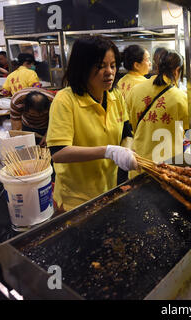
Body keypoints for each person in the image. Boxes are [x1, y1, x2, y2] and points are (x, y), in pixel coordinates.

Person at [46, 35, 138, 213]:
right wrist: (109, 151)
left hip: (107, 191)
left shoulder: (115, 95)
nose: (109, 72)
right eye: (100, 66)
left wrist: (127, 150)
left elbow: (126, 132)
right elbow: (58, 152)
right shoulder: (65, 100)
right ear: (83, 67)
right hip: (75, 200)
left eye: (112, 65)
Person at [126, 49, 191, 169]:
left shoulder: (135, 90)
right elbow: (187, 130)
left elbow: (131, 122)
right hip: (166, 164)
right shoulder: (180, 97)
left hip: (139, 160)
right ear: (177, 70)